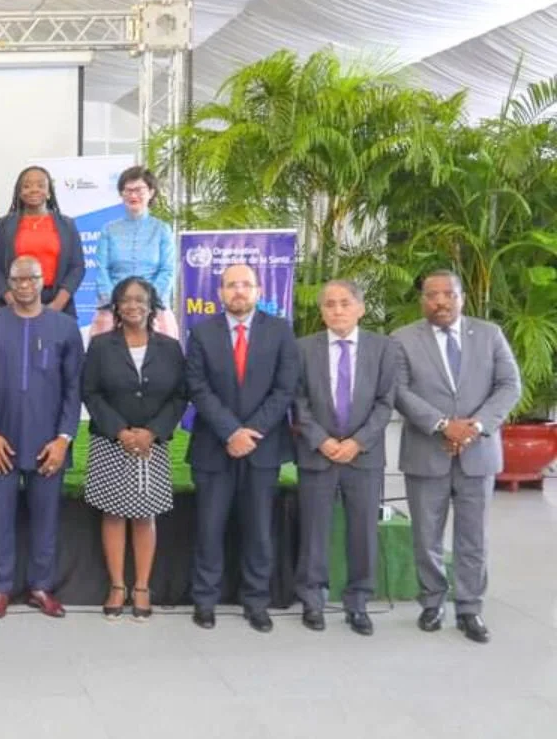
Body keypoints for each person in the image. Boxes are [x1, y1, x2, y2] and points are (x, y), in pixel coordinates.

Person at [392, 270, 521, 644]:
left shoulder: (489, 334)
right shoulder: (401, 340)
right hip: (425, 451)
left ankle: (469, 608)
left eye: (448, 294)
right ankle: (432, 603)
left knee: (472, 537)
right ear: (422, 301)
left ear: (462, 297)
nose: (441, 301)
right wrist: (442, 424)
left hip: (477, 453)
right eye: (432, 295)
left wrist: (475, 426)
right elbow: (398, 390)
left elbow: (509, 385)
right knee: (426, 535)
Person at [184, 263, 299, 632]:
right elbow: (197, 388)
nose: (238, 291)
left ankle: (256, 601)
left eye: (245, 285)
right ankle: (205, 601)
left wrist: (251, 432)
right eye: (231, 285)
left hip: (261, 449)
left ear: (259, 290)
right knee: (208, 529)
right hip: (213, 448)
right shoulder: (201, 333)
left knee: (259, 531)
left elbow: (285, 389)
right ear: (219, 293)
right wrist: (231, 431)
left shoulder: (280, 331)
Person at [0, 256, 84, 620]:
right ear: (8, 282)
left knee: (45, 518)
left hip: (47, 444)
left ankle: (41, 587)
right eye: (17, 278)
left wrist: (63, 439)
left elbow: (74, 389)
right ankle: (0, 588)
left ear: (43, 281)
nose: (24, 285)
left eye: (31, 278)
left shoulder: (64, 328)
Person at [292, 280, 398, 636]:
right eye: (330, 304)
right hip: (317, 455)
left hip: (363, 457)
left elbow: (386, 402)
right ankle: (313, 600)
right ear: (321, 311)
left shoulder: (382, 348)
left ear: (361, 308)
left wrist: (357, 442)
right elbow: (298, 401)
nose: (337, 310)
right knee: (314, 532)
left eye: (345, 303)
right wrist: (321, 440)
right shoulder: (303, 349)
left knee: (363, 532)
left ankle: (358, 603)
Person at [81, 276, 187, 622]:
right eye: (125, 300)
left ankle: (141, 586)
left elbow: (179, 396)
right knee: (113, 513)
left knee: (145, 514)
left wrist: (153, 432)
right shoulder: (100, 346)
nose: (133, 305)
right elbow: (91, 392)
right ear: (116, 305)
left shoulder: (170, 348)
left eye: (140, 299)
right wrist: (119, 431)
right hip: (112, 442)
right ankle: (116, 586)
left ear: (152, 305)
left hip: (152, 445)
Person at [91, 166, 178, 338]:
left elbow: (167, 271)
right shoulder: (109, 230)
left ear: (151, 192)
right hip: (113, 309)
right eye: (127, 190)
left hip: (154, 308)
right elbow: (101, 270)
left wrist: (148, 302)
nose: (133, 195)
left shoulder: (162, 230)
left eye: (139, 190)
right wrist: (116, 304)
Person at [0, 166, 84, 317]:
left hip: (57, 302)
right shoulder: (4, 225)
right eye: (26, 186)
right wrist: (13, 303)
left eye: (40, 185)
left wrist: (57, 305)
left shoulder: (67, 225)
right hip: (15, 303)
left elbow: (77, 268)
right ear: (19, 192)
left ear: (49, 192)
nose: (33, 189)